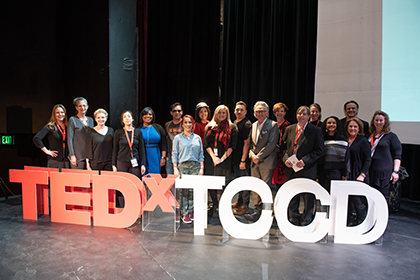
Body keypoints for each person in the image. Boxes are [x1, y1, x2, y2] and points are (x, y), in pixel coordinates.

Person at [283, 106, 324, 226]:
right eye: (299, 113)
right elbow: (283, 147)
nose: (301, 116)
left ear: (309, 116)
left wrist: (305, 161)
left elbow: (319, 150)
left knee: (308, 196)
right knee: (292, 193)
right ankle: (293, 217)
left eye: (304, 114)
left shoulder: (315, 130)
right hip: (291, 168)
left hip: (307, 168)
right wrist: (285, 159)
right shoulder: (290, 129)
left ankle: (307, 218)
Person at [244, 101, 279, 222]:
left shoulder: (273, 125)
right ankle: (257, 210)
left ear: (267, 113)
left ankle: (267, 210)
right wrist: (252, 155)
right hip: (254, 161)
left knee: (265, 187)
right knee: (255, 186)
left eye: (263, 111)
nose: (260, 113)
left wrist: (259, 156)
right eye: (258, 111)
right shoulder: (253, 125)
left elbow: (272, 144)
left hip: (266, 161)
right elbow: (251, 144)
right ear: (254, 113)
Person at [204, 105, 238, 211]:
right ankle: (215, 204)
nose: (221, 115)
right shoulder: (210, 126)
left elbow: (232, 146)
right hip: (211, 158)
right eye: (219, 112)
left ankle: (224, 205)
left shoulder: (232, 127)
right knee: (210, 182)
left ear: (227, 114)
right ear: (216, 114)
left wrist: (221, 159)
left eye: (224, 113)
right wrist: (214, 158)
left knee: (222, 184)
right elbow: (206, 144)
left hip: (225, 160)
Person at [172, 115, 204, 224]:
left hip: (195, 166)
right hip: (183, 166)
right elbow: (174, 154)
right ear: (182, 124)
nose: (188, 125)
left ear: (193, 124)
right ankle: (184, 212)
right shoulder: (178, 138)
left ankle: (191, 210)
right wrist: (175, 168)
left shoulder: (197, 138)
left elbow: (201, 154)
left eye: (190, 122)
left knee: (193, 190)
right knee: (184, 191)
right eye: (185, 122)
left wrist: (201, 167)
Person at [368, 110, 402, 202]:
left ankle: (382, 216)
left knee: (382, 198)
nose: (378, 122)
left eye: (381, 120)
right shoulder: (369, 136)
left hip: (383, 172)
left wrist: (395, 171)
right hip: (370, 171)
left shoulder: (391, 136)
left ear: (385, 122)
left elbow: (397, 155)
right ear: (373, 121)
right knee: (370, 198)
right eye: (376, 120)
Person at [345, 117, 371, 225]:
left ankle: (363, 221)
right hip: (347, 174)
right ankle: (351, 221)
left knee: (357, 199)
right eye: (350, 126)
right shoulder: (345, 140)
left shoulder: (363, 141)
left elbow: (368, 159)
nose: (352, 128)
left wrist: (363, 174)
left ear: (359, 128)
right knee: (349, 200)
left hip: (358, 174)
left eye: (355, 126)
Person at [230, 101, 252, 215]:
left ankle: (245, 206)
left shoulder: (247, 124)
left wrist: (243, 160)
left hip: (243, 160)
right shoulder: (235, 122)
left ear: (246, 112)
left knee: (245, 182)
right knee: (239, 181)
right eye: (237, 109)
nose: (239, 111)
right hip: (236, 158)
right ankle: (239, 201)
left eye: (241, 110)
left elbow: (247, 143)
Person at [318, 116, 348, 193]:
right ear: (325, 125)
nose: (331, 124)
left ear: (337, 124)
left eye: (334, 123)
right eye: (329, 123)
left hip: (336, 172)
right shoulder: (321, 138)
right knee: (323, 195)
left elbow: (346, 158)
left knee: (334, 195)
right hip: (322, 171)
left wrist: (344, 174)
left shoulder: (342, 139)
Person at [112, 111, 146, 177]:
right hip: (121, 162)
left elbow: (142, 149)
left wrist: (143, 164)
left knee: (135, 182)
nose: (127, 118)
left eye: (129, 116)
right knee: (122, 184)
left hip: (134, 162)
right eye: (124, 117)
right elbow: (115, 149)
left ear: (132, 119)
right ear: (122, 120)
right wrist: (113, 165)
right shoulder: (118, 132)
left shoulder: (138, 132)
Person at [67, 97, 94, 169]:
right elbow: (70, 138)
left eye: (84, 105)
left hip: (89, 156)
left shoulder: (91, 120)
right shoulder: (73, 120)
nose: (82, 107)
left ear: (87, 107)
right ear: (76, 107)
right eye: (80, 106)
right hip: (78, 156)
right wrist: (72, 155)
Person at [138, 107, 167, 174]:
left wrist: (163, 157)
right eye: (145, 114)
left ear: (153, 116)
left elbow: (163, 144)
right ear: (142, 116)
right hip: (141, 155)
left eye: (150, 114)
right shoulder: (137, 128)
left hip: (155, 155)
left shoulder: (159, 128)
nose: (148, 116)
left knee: (154, 176)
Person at [272, 102, 291, 186]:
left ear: (285, 113)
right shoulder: (273, 124)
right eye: (277, 111)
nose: (279, 113)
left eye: (281, 111)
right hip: (274, 154)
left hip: (282, 154)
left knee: (282, 180)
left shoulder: (287, 125)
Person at [165, 102, 183, 175]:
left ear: (182, 112)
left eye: (179, 111)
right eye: (174, 111)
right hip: (170, 155)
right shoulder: (167, 125)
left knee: (182, 179)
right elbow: (165, 140)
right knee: (170, 177)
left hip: (182, 156)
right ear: (171, 113)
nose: (177, 113)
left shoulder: (185, 123)